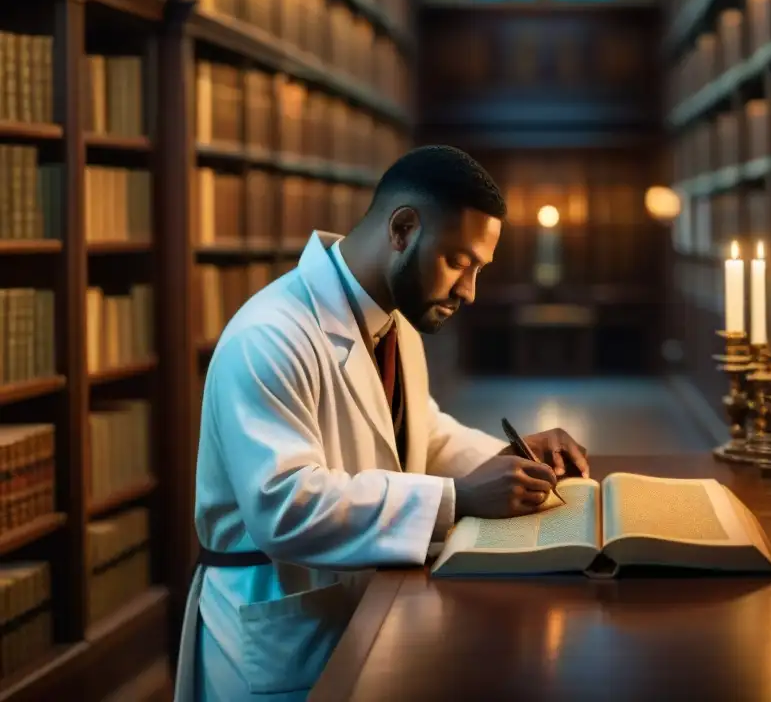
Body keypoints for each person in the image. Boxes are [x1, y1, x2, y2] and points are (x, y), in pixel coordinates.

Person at [173, 145, 590, 701]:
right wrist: (457, 500)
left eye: (478, 269)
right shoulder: (270, 334)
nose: (469, 291)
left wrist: (515, 457)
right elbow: (282, 504)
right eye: (459, 262)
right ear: (402, 229)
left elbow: (420, 433)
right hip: (279, 616)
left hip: (360, 601)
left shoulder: (396, 324)